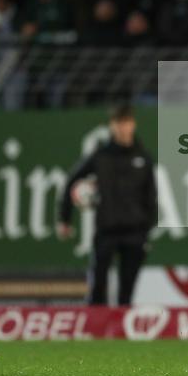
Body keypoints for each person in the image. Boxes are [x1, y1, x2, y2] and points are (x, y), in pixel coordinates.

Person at [57, 104, 156, 306]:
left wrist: (146, 231)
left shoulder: (143, 158)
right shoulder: (101, 156)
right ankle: (95, 332)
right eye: (118, 123)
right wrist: (64, 218)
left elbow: (151, 197)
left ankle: (121, 333)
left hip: (135, 232)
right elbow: (71, 181)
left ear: (133, 125)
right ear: (112, 126)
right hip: (107, 230)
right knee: (98, 289)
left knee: (126, 291)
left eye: (126, 122)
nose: (122, 128)